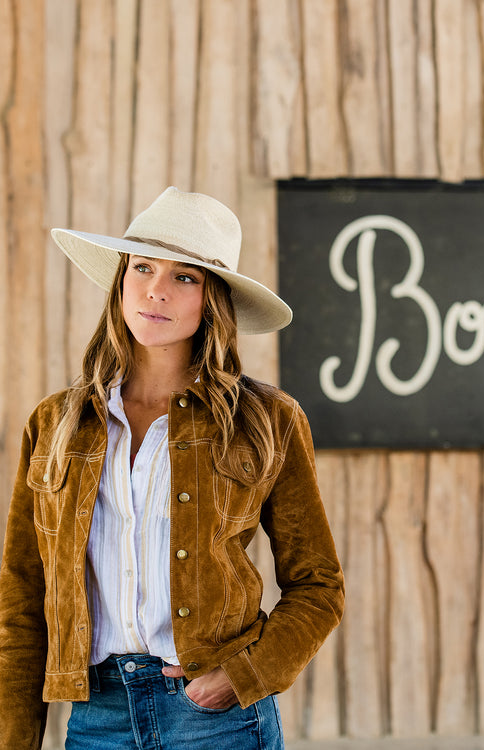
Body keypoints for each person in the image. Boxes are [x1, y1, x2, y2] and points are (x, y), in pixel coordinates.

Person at [0, 187, 345, 749]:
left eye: (186, 277)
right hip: (96, 716)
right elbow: (21, 596)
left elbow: (318, 585)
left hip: (216, 719)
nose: (156, 291)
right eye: (143, 268)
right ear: (120, 281)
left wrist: (241, 678)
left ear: (213, 300)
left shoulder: (266, 420)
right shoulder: (56, 424)